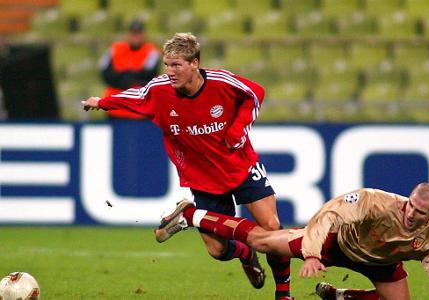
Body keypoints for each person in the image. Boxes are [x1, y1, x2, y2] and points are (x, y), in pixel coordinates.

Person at [82, 32, 292, 300]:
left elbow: (255, 93)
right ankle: (245, 252)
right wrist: (102, 103)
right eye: (167, 65)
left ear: (195, 63)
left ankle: (283, 295)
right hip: (203, 179)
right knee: (217, 250)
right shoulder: (159, 90)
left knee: (272, 228)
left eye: (177, 65)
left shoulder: (221, 82)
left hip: (241, 167)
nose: (170, 71)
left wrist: (238, 129)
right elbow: (135, 96)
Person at [155, 182, 429, 300]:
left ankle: (340, 296)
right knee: (263, 241)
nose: (411, 213)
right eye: (410, 205)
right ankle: (191, 215)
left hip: (382, 263)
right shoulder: (375, 201)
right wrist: (311, 253)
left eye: (420, 211)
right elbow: (329, 214)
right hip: (335, 244)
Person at [98, 19, 160, 119]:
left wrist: (122, 75)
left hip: (140, 112)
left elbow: (149, 76)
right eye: (133, 33)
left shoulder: (151, 51)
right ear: (128, 34)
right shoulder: (115, 49)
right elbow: (106, 74)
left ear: (143, 34)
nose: (135, 36)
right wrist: (131, 77)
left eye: (138, 33)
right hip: (115, 110)